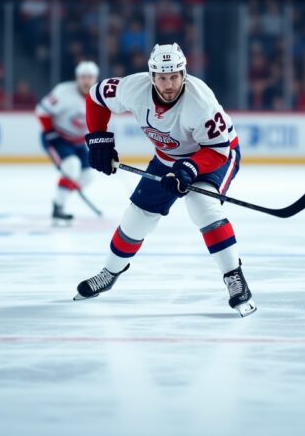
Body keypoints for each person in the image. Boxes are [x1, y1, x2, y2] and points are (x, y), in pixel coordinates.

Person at [76, 43, 255, 317]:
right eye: (162, 77)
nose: (169, 84)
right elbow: (96, 96)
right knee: (137, 217)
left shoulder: (201, 102)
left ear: (184, 74)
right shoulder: (133, 88)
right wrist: (99, 140)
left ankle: (234, 277)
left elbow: (218, 150)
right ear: (151, 76)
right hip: (168, 158)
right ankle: (110, 272)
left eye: (174, 76)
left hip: (215, 154)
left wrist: (188, 171)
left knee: (202, 206)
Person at [35, 61, 99, 224]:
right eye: (83, 77)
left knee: (88, 176)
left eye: (90, 77)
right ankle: (58, 207)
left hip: (78, 142)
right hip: (58, 139)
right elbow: (41, 111)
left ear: (95, 78)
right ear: (77, 78)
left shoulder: (100, 95)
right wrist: (50, 132)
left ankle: (62, 193)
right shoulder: (63, 92)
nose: (86, 81)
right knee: (71, 166)